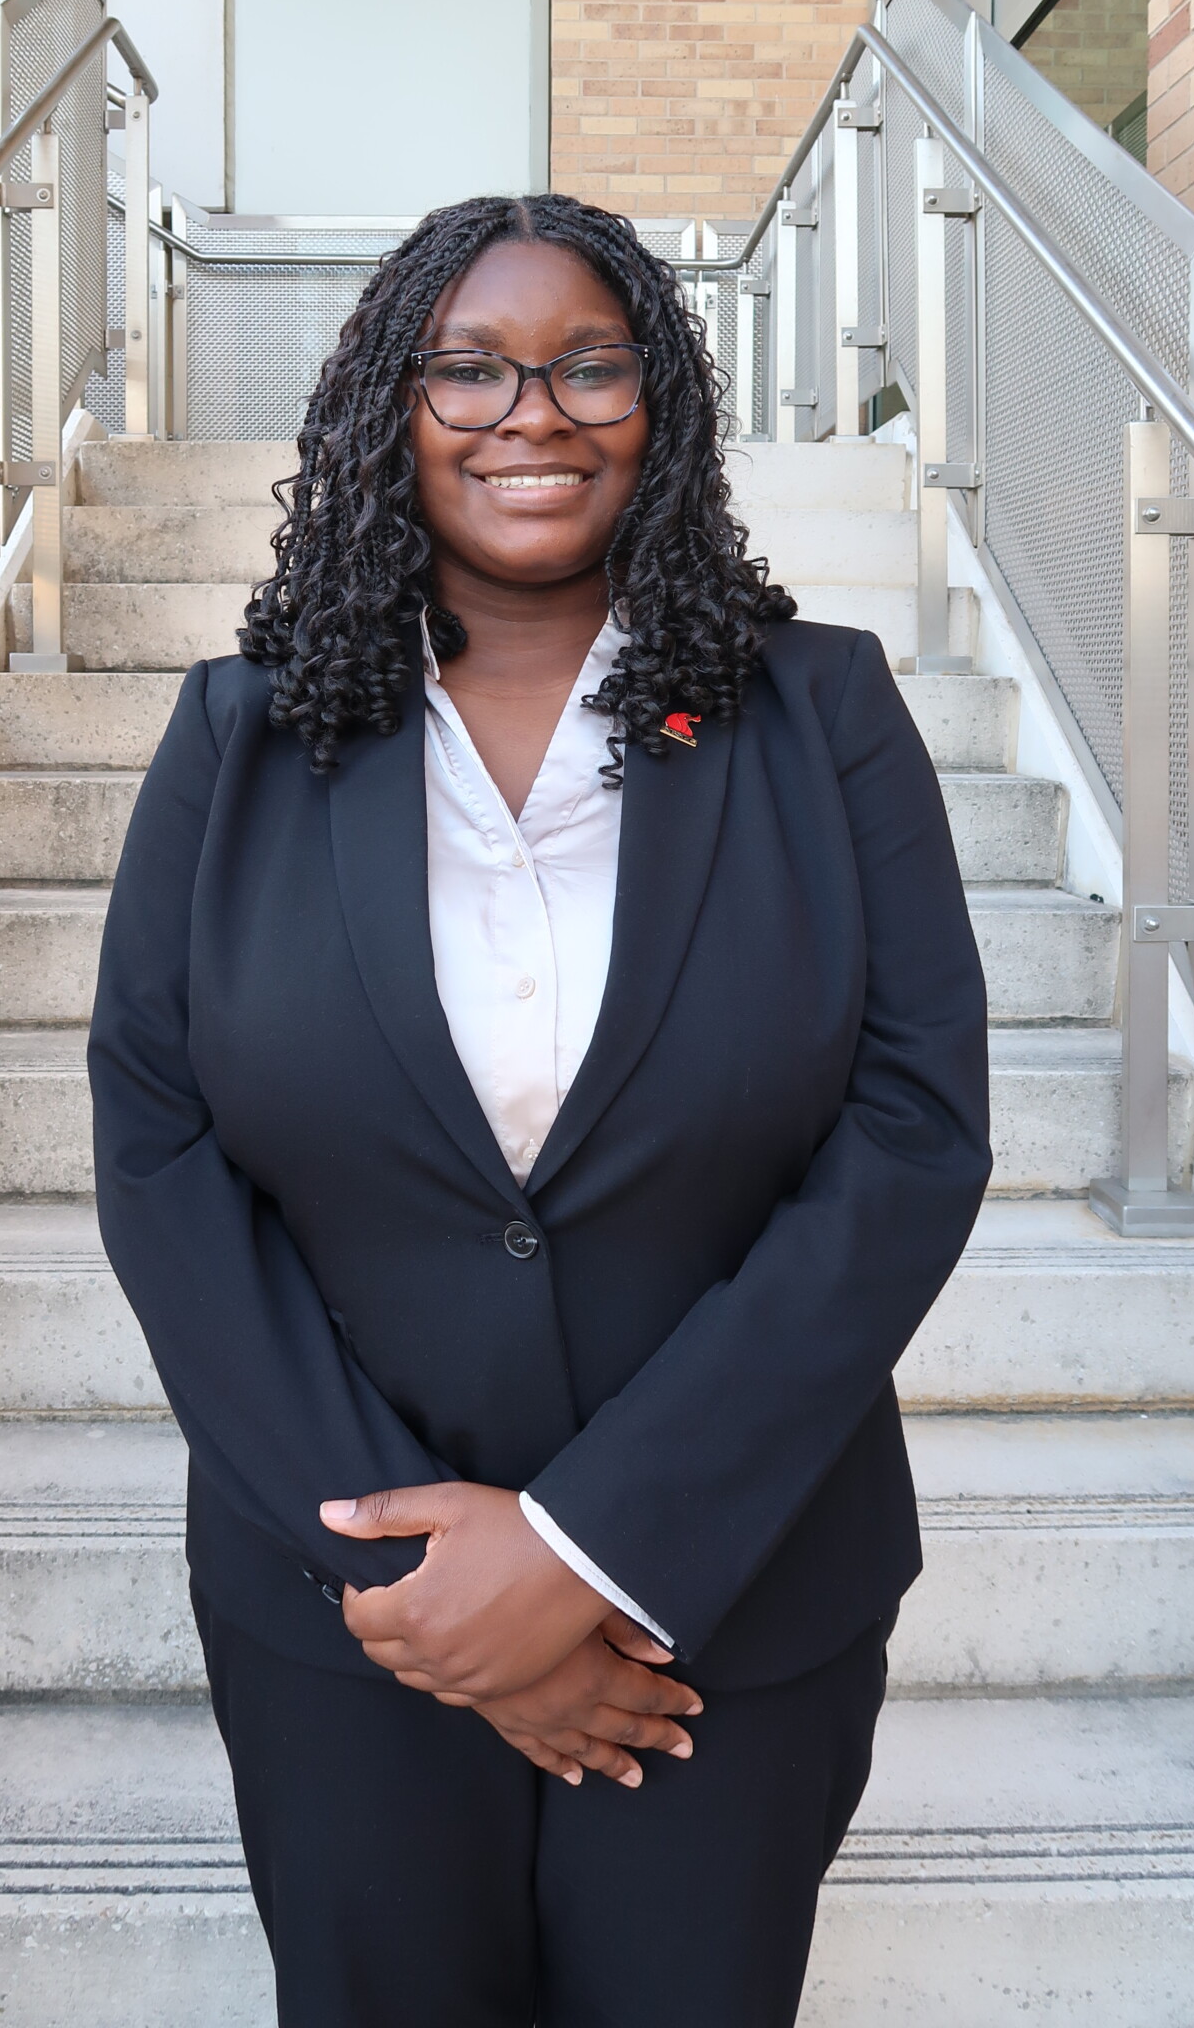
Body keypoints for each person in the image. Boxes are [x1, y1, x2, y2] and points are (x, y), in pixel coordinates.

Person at [90, 192, 991, 2028]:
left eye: (591, 364)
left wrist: (585, 1551)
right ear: (394, 408)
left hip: (722, 1614)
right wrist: (437, 1589)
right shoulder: (240, 737)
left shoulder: (820, 712)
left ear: (660, 403)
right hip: (356, 1627)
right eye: (473, 369)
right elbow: (160, 1151)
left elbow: (914, 1130)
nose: (535, 414)